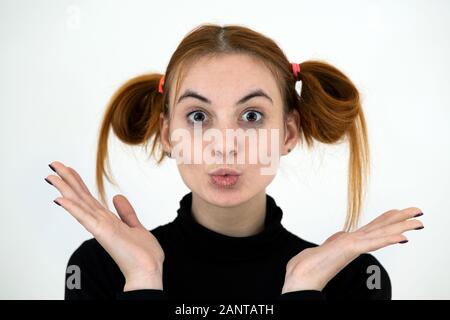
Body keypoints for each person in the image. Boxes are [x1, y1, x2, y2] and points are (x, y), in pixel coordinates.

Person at [44, 23, 424, 300]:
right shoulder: (99, 267)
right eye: (197, 116)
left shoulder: (354, 278)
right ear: (166, 134)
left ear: (288, 134)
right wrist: (143, 280)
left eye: (252, 116)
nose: (224, 146)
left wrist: (303, 289)